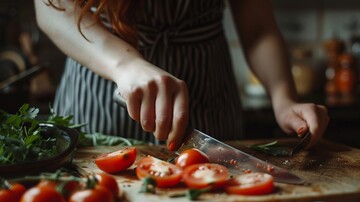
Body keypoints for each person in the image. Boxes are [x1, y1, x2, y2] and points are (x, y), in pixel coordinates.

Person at [34, 0, 329, 151]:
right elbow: (51, 8)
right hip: (100, 86)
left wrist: (284, 98)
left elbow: (258, 28)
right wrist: (125, 66)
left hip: (209, 96)